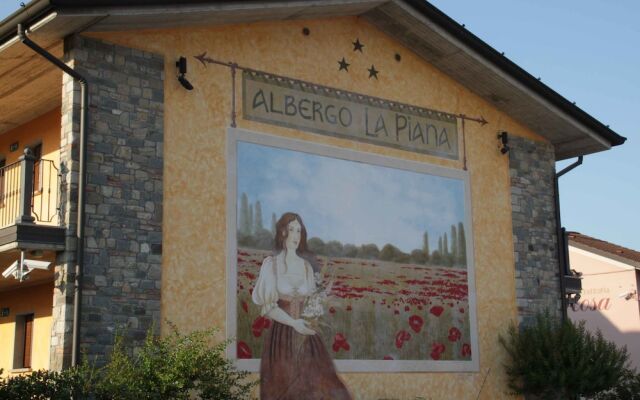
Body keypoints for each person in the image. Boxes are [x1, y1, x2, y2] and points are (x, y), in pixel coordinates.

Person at [252, 212, 352, 400]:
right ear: (282, 232)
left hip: (307, 338)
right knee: (284, 388)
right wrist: (293, 323)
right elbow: (268, 308)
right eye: (291, 230)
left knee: (322, 387)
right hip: (281, 340)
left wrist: (310, 318)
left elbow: (312, 301)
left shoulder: (306, 267)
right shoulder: (271, 265)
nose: (296, 236)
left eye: (299, 231)